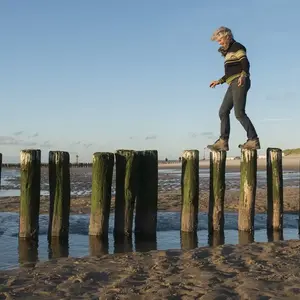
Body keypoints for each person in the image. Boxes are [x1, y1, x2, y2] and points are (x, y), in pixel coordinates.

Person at [207, 26, 260, 151]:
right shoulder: (228, 53)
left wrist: (243, 75)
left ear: (227, 36)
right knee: (223, 111)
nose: (219, 42)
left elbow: (245, 63)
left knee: (239, 113)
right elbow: (231, 73)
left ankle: (253, 139)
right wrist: (219, 81)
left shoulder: (237, 47)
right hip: (233, 83)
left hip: (240, 81)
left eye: (220, 40)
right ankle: (223, 142)